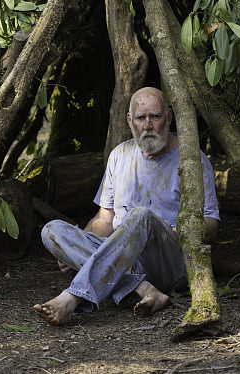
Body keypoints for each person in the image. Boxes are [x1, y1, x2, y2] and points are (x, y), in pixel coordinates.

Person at [33, 87, 220, 325]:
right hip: (125, 262)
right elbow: (105, 219)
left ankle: (72, 296)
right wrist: (78, 242)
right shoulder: (119, 155)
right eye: (141, 118)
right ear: (130, 120)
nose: (148, 125)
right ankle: (144, 289)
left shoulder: (192, 159)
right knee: (52, 231)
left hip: (169, 261)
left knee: (141, 216)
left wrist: (183, 231)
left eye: (155, 116)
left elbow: (212, 224)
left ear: (169, 117)